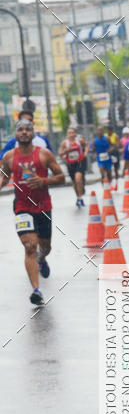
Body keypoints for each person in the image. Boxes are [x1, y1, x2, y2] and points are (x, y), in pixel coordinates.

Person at [0, 119, 65, 305]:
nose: (24, 132)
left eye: (27, 129)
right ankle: (36, 290)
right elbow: (3, 177)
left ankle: (42, 259)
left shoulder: (44, 154)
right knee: (29, 246)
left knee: (45, 247)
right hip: (22, 206)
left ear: (33, 133)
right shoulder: (9, 157)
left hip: (43, 206)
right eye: (20, 129)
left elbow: (61, 177)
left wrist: (43, 181)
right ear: (16, 134)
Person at [59, 126, 87, 207]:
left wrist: (85, 154)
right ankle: (78, 197)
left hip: (79, 162)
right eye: (69, 133)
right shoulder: (65, 143)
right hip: (70, 164)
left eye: (72, 132)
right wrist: (65, 151)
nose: (71, 134)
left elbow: (87, 145)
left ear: (75, 133)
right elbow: (60, 153)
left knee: (78, 178)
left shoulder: (79, 140)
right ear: (67, 134)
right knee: (74, 182)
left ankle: (81, 198)